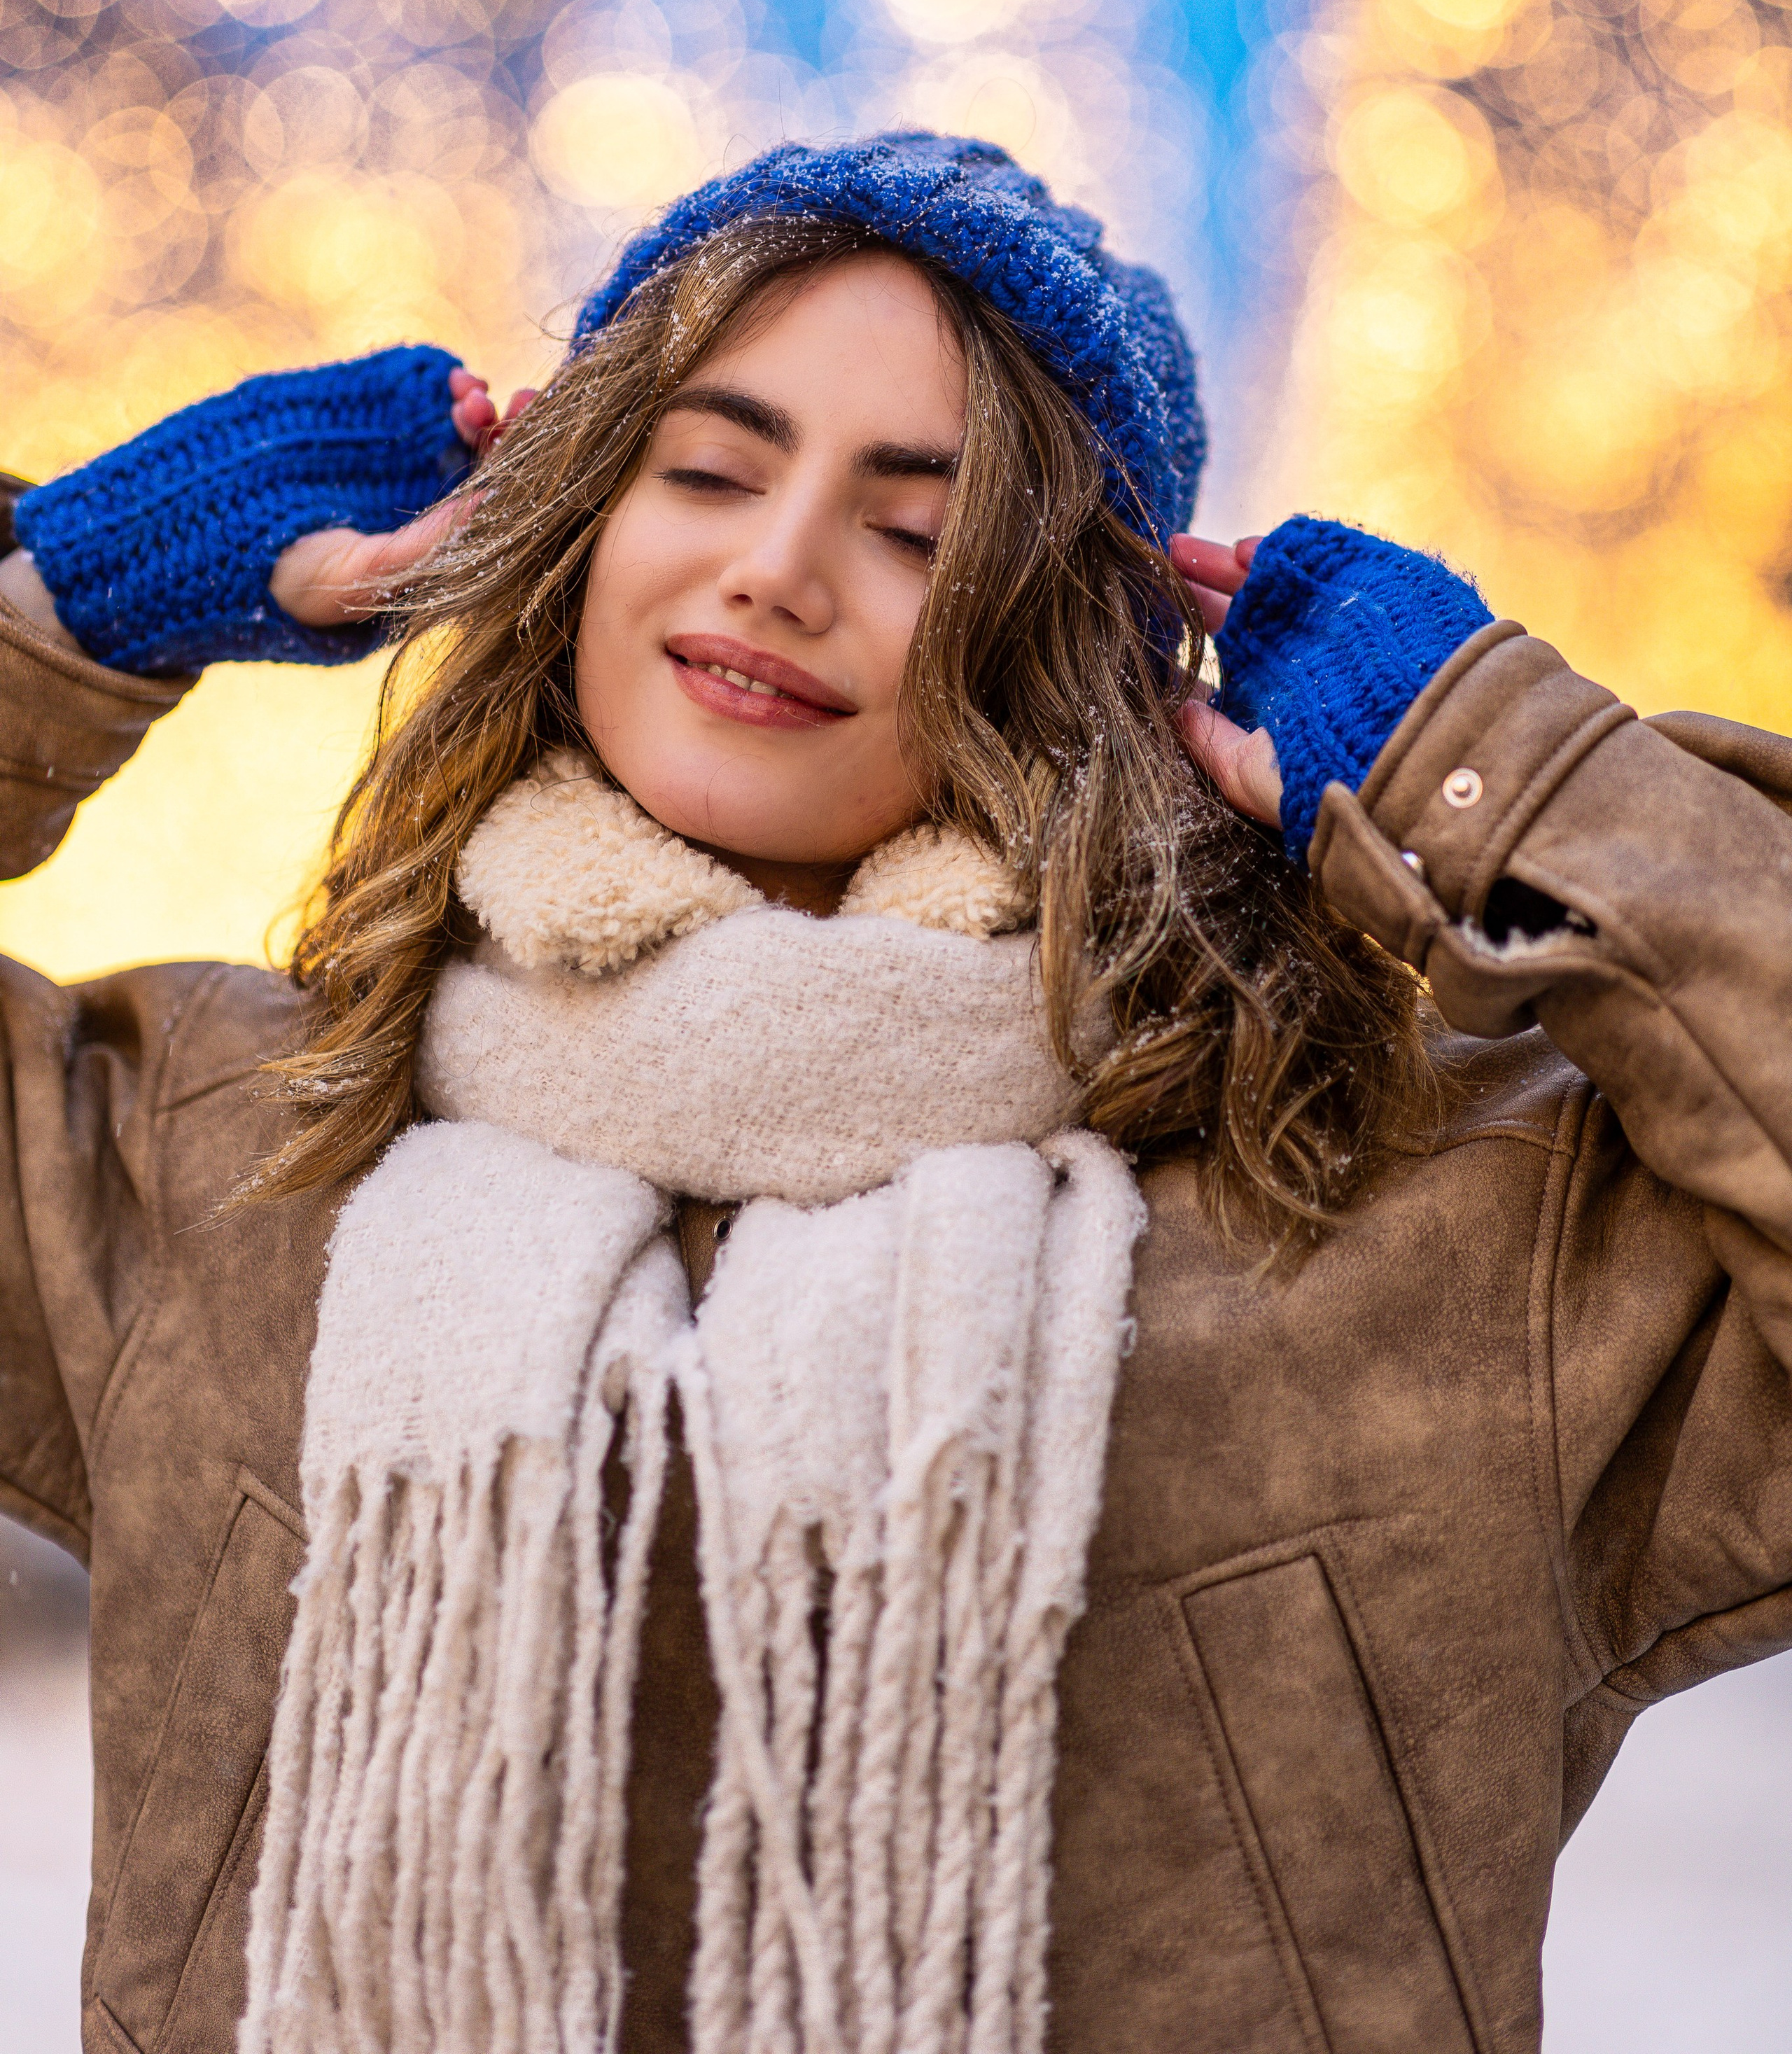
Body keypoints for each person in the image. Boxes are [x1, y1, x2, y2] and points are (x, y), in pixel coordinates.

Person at [0, 131, 1787, 2054]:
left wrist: (1501, 776)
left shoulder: (1432, 1233)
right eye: (705, 469)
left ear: (1075, 648)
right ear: (576, 521)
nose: (773, 572)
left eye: (918, 530)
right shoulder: (222, 1145)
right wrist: (65, 605)